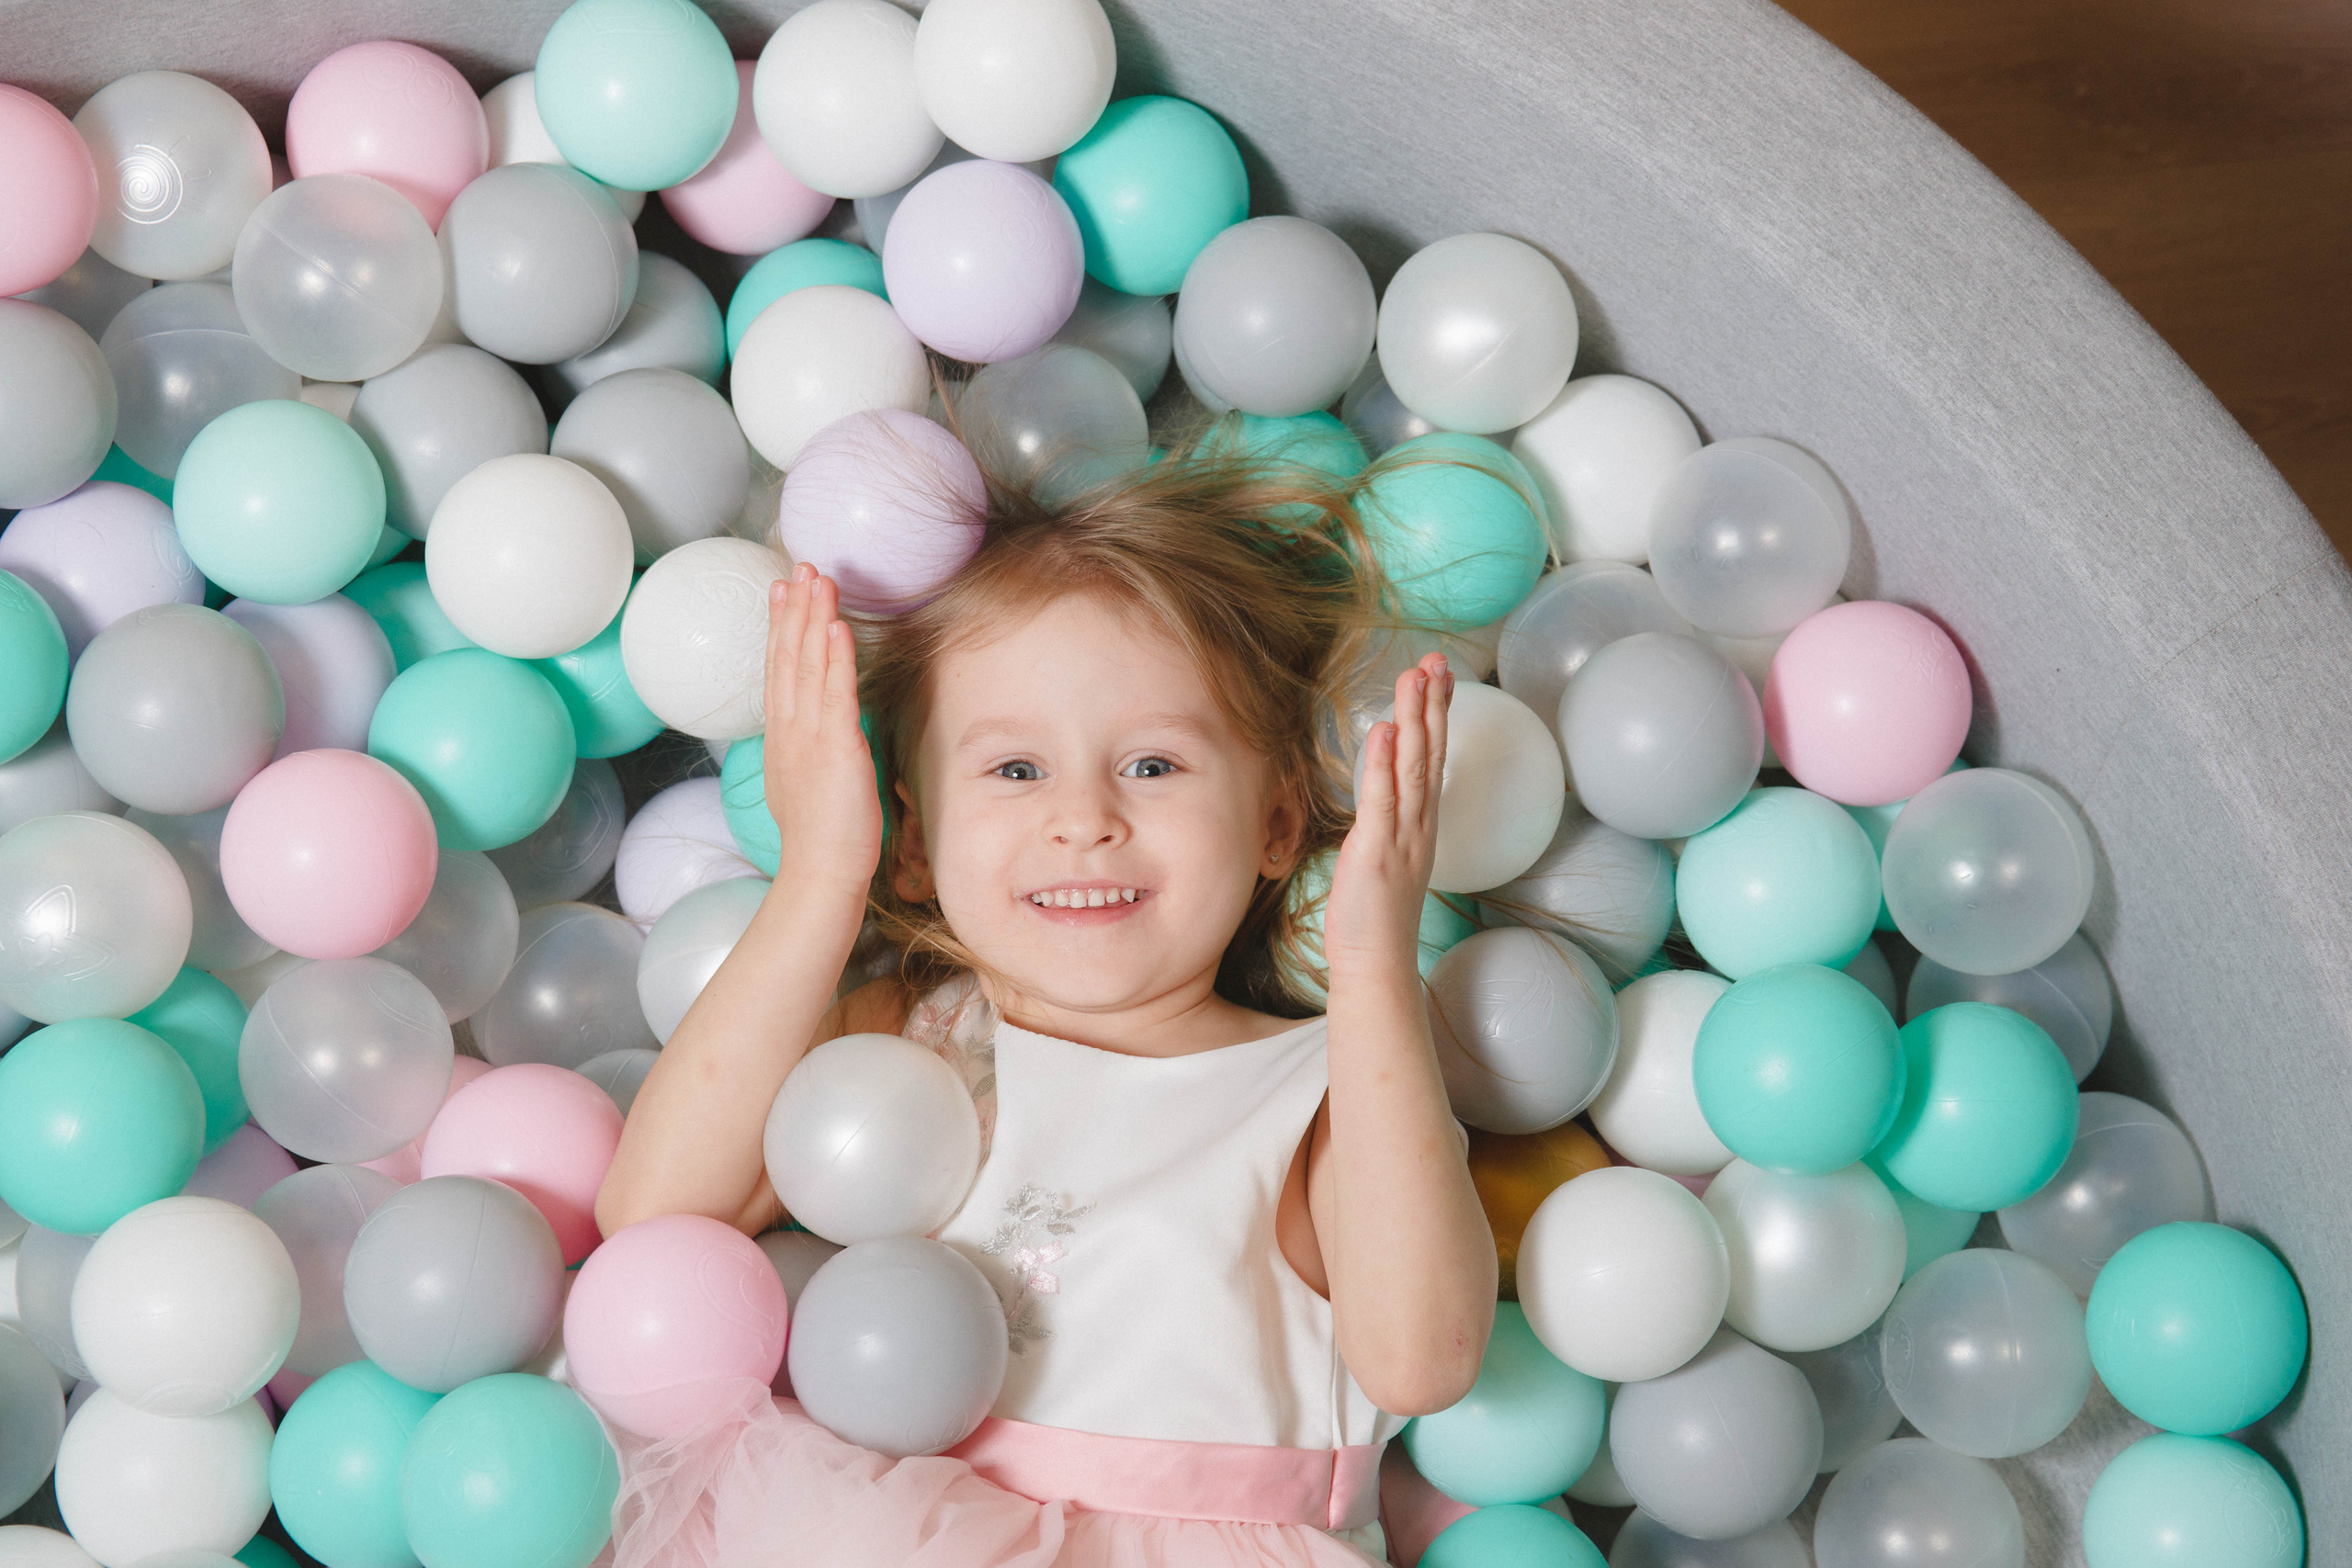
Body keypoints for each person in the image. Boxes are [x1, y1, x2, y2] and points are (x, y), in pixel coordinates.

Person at [596, 438, 1500, 1567]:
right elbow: (655, 1217)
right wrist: (822, 872)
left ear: (1277, 822)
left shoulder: (1321, 1087)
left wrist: (1372, 973)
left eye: (1155, 765)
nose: (1083, 818)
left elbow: (1423, 1360)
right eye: (1014, 771)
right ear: (915, 840)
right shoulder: (909, 1041)